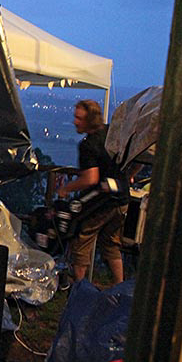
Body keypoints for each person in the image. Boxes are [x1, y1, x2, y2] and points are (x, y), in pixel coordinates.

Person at [56, 99, 129, 285]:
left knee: (81, 240)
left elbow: (90, 178)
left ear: (89, 120)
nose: (75, 122)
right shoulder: (112, 133)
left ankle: (79, 289)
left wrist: (65, 189)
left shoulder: (88, 145)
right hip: (121, 198)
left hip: (101, 201)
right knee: (111, 244)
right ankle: (119, 286)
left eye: (79, 118)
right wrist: (129, 176)